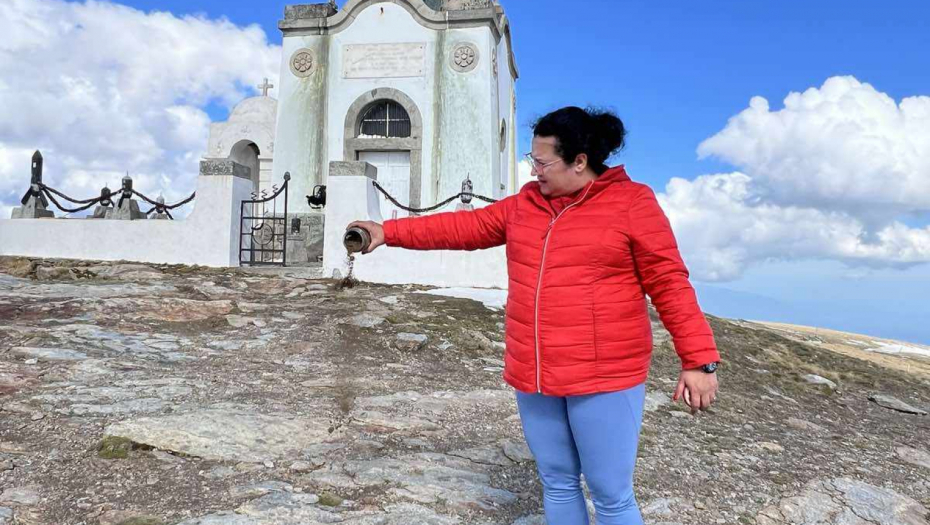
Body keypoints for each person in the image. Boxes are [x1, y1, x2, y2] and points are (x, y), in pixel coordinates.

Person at [347, 106, 720, 525]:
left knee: (611, 495)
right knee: (557, 481)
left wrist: (698, 360)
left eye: (542, 163)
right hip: (536, 374)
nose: (533, 171)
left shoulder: (632, 203)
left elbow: (669, 282)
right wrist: (388, 232)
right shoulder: (525, 205)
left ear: (579, 161)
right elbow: (462, 228)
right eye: (532, 160)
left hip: (604, 377)